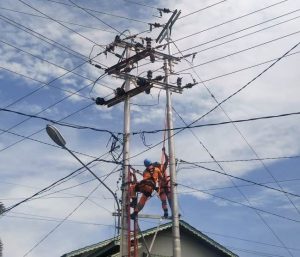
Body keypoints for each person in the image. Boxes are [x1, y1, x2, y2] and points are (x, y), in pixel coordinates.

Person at [130, 149, 169, 219]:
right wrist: (165, 153)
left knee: (133, 188)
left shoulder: (145, 171)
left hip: (146, 186)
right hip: (153, 188)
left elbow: (145, 180)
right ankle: (166, 212)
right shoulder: (157, 169)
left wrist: (134, 176)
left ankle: (134, 203)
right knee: (163, 201)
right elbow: (166, 164)